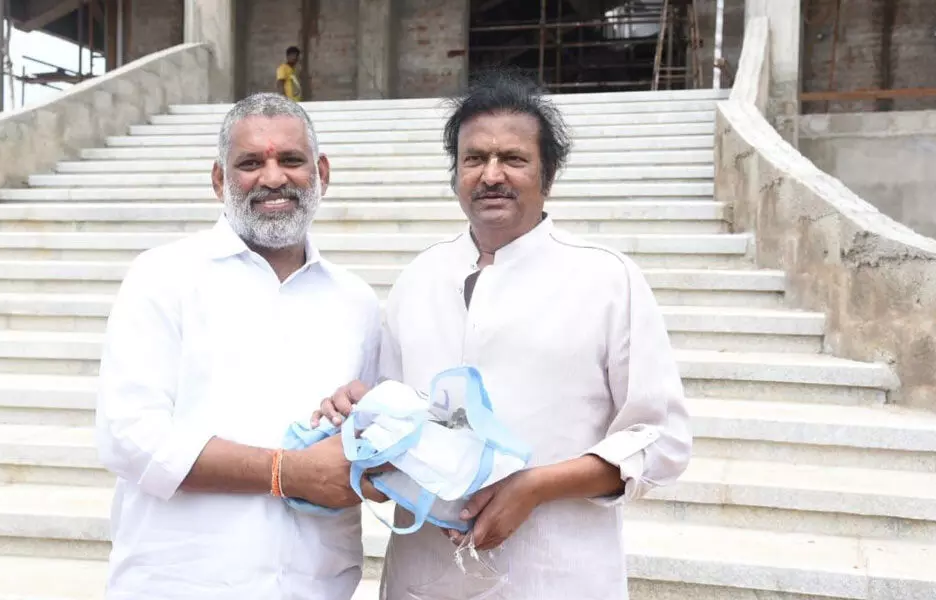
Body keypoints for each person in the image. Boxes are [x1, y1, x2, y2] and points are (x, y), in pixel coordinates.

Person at [314, 72, 692, 599]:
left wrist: (535, 487)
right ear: (455, 175)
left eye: (513, 159)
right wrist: (363, 414)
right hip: (427, 574)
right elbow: (396, 419)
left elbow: (662, 440)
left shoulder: (606, 280)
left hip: (556, 575)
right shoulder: (420, 277)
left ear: (548, 175)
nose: (492, 174)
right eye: (474, 159)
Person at [95, 92, 387, 600]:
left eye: (290, 160)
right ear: (219, 180)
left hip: (315, 585)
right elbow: (131, 436)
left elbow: (367, 445)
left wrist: (374, 433)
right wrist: (285, 472)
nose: (273, 178)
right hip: (180, 584)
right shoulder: (163, 277)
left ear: (321, 172)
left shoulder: (356, 301)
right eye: (251, 163)